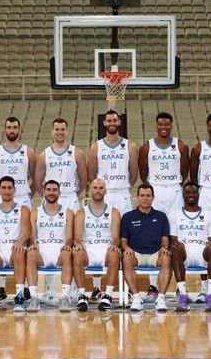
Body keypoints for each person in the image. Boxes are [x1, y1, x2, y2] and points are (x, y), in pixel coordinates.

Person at [86, 110, 137, 300]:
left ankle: (129, 287)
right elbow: (92, 175)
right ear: (104, 123)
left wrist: (122, 186)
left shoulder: (129, 146)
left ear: (119, 122)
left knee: (126, 239)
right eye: (109, 120)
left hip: (122, 194)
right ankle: (97, 287)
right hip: (104, 195)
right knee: (98, 237)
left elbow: (133, 174)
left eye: (115, 120)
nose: (112, 122)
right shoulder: (95, 147)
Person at [138, 112, 189, 302]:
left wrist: (174, 184)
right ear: (156, 125)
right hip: (156, 190)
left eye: (167, 124)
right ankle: (153, 286)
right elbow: (143, 172)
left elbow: (185, 170)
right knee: (153, 236)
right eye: (160, 124)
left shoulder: (181, 146)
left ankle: (179, 286)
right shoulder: (147, 146)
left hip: (174, 191)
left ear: (171, 125)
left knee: (176, 237)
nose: (164, 127)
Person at [0, 116, 36, 302]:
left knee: (24, 241)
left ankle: (25, 287)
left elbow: (36, 177)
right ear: (4, 129)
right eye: (9, 127)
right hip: (2, 196)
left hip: (23, 196)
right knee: (0, 238)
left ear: (19, 129)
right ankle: (1, 287)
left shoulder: (28, 151)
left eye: (15, 127)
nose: (12, 130)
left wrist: (27, 193)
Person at [0, 176, 32, 312]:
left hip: (15, 249)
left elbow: (26, 231)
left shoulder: (23, 209)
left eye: (10, 188)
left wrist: (19, 242)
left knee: (19, 252)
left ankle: (19, 295)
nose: (7, 191)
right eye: (3, 188)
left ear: (14, 190)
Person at [120, 184, 172, 312]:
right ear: (137, 197)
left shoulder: (161, 216)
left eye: (148, 195)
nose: (145, 198)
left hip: (155, 254)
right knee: (126, 258)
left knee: (166, 257)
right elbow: (123, 241)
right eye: (142, 195)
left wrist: (164, 247)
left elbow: (165, 239)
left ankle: (161, 298)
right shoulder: (127, 217)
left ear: (153, 198)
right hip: (136, 255)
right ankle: (136, 298)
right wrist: (126, 248)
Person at [25, 180, 75, 312]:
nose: (51, 193)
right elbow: (32, 235)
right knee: (30, 253)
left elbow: (70, 236)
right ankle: (34, 297)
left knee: (67, 253)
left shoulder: (68, 212)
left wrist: (67, 244)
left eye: (54, 190)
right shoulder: (35, 212)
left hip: (59, 252)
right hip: (42, 252)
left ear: (59, 192)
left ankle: (64, 297)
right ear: (43, 192)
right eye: (48, 190)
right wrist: (32, 244)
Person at [73, 178, 122, 311]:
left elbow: (116, 237)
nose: (98, 191)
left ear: (105, 191)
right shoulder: (81, 212)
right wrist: (78, 244)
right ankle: (82, 295)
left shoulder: (114, 212)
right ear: (90, 190)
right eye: (95, 188)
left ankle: (107, 296)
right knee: (77, 254)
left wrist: (114, 244)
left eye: (101, 188)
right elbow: (77, 238)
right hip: (88, 251)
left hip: (106, 250)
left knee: (114, 253)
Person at [170, 182, 211, 312]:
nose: (191, 195)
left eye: (194, 192)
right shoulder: (174, 214)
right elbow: (173, 239)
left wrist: (210, 244)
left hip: (203, 253)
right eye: (188, 192)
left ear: (198, 194)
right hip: (184, 253)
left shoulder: (209, 214)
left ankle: (210, 295)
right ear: (183, 194)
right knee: (175, 248)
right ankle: (183, 295)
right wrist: (177, 244)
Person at [34, 118, 87, 212]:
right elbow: (37, 182)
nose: (60, 132)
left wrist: (73, 194)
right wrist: (48, 196)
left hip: (70, 198)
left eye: (63, 129)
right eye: (57, 129)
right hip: (50, 199)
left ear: (67, 132)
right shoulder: (44, 155)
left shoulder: (77, 153)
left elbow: (83, 180)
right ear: (52, 132)